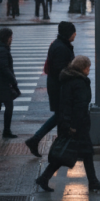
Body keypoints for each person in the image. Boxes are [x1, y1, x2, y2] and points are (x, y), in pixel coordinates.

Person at [35, 55, 100, 192]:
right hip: (78, 125)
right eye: (88, 67)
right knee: (79, 152)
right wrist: (73, 126)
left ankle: (45, 178)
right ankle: (92, 182)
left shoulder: (69, 79)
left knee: (73, 152)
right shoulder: (79, 83)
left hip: (71, 122)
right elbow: (79, 106)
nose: (89, 70)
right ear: (83, 68)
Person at [25, 21, 76, 157]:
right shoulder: (61, 47)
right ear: (68, 33)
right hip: (58, 87)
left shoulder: (60, 44)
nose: (75, 34)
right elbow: (60, 70)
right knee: (61, 115)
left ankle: (58, 145)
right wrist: (75, 73)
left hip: (57, 85)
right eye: (73, 32)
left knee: (61, 116)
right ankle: (38, 140)